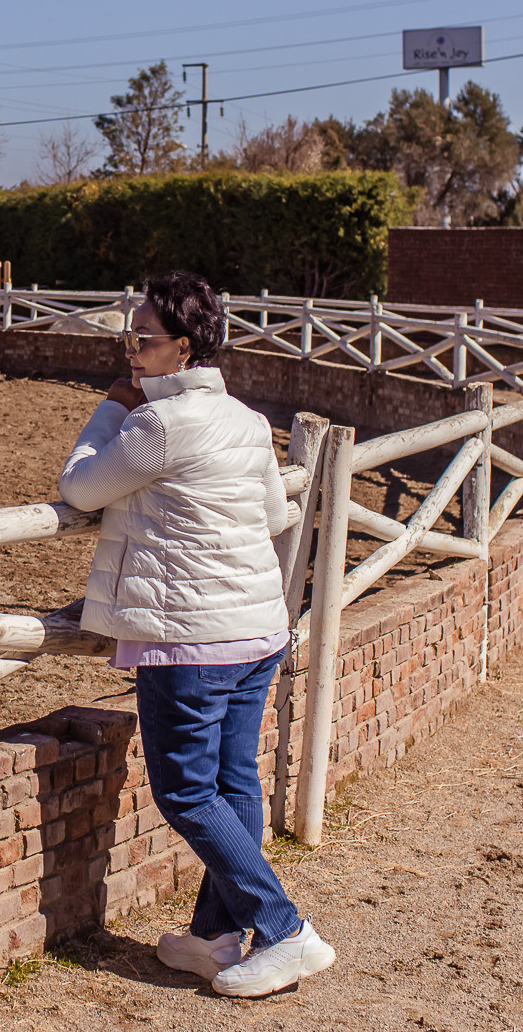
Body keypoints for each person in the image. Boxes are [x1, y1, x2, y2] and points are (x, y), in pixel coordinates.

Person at [58, 270, 335, 998]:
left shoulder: (156, 424)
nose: (131, 350)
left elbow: (80, 486)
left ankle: (284, 929)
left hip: (193, 639)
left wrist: (109, 407)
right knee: (233, 779)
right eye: (130, 336)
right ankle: (216, 935)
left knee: (184, 791)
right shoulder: (246, 420)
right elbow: (276, 511)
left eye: (143, 340)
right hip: (255, 628)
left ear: (183, 348)